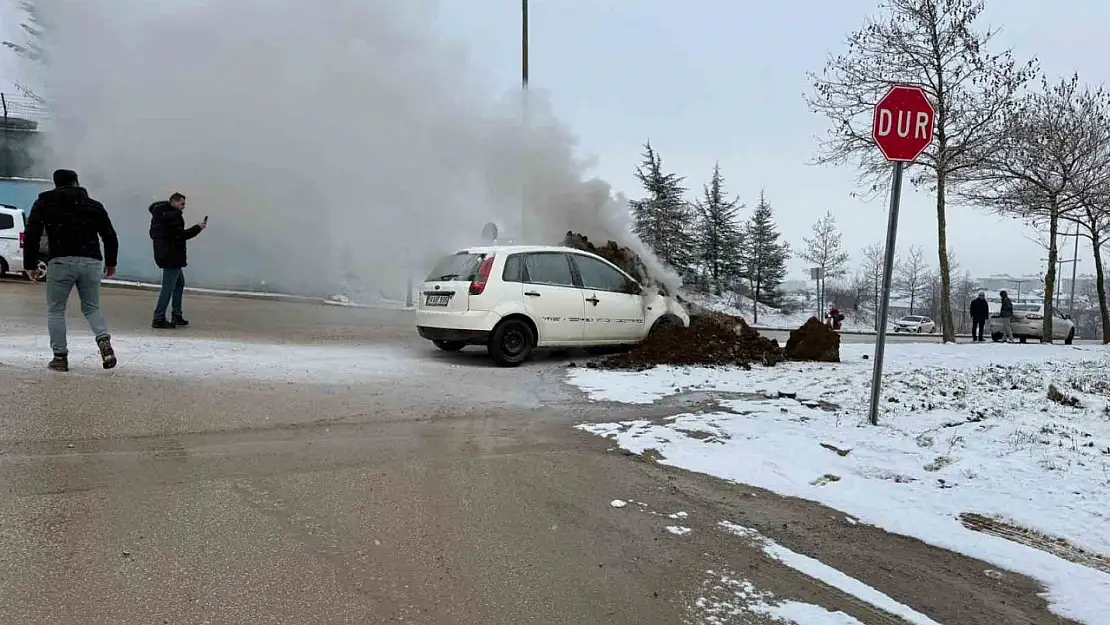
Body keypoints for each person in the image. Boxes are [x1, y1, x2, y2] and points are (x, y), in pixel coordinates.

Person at [23, 168, 119, 372]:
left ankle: (60, 357)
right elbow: (109, 235)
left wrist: (30, 264)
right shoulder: (93, 205)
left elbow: (32, 233)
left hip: (61, 261)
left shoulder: (45, 203)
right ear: (76, 182)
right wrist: (111, 262)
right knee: (92, 307)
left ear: (56, 183)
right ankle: (103, 340)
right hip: (91, 261)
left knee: (56, 310)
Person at [149, 192, 207, 328]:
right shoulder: (173, 216)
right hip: (172, 256)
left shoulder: (160, 214)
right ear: (174, 202)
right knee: (168, 287)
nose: (184, 207)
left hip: (166, 254)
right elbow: (180, 236)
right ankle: (158, 317)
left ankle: (176, 314)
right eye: (182, 203)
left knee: (179, 283)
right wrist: (198, 228)